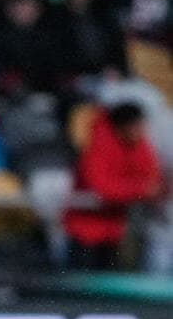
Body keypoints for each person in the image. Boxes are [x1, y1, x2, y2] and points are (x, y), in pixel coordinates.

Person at [63, 102, 163, 270]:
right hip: (85, 231)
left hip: (114, 230)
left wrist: (143, 188)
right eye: (137, 125)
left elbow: (151, 176)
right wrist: (140, 190)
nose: (141, 130)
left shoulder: (138, 144)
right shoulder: (99, 146)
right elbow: (102, 188)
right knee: (82, 287)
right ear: (123, 126)